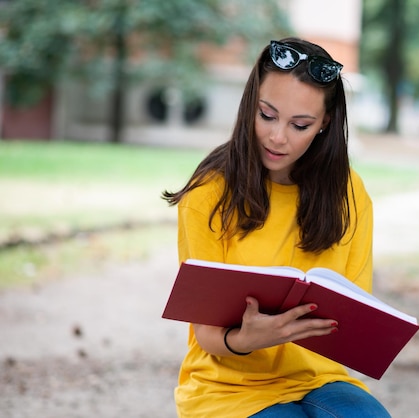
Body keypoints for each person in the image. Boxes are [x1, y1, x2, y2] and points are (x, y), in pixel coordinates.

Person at [162, 37, 391, 418]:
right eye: (267, 115)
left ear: (325, 123)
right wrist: (246, 339)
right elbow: (206, 335)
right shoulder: (209, 193)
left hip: (319, 379)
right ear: (251, 104)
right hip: (225, 388)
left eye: (300, 124)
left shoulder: (349, 193)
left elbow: (351, 317)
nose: (278, 136)